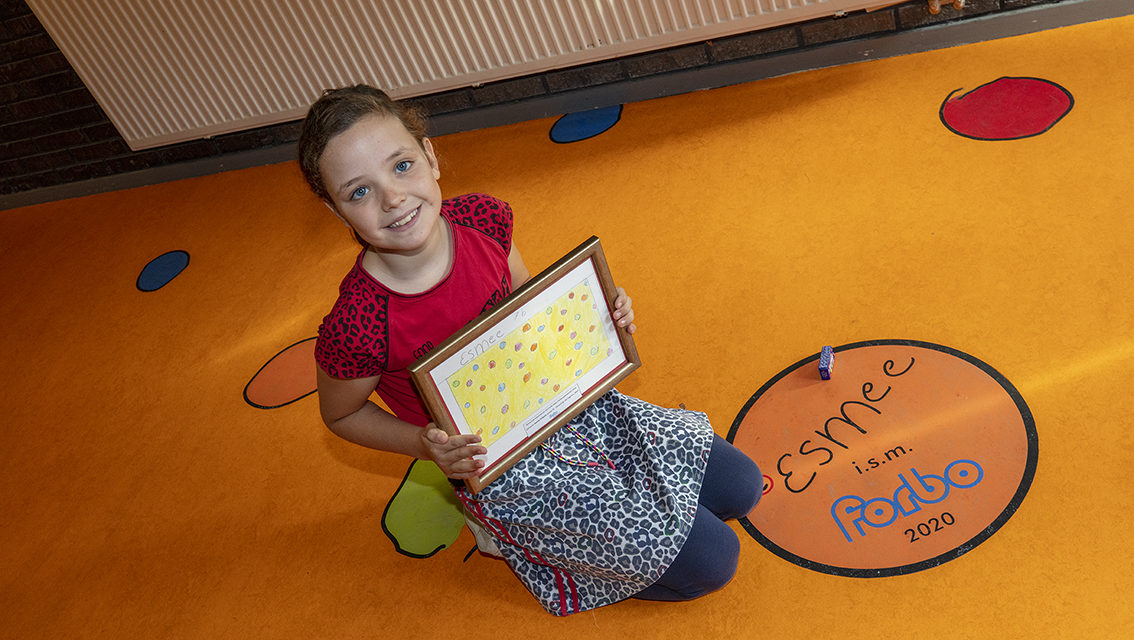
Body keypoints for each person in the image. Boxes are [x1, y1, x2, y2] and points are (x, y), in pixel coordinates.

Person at [298, 85, 763, 616]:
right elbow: (340, 413)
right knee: (715, 562)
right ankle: (520, 542)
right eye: (359, 192)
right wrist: (426, 446)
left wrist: (600, 317)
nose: (393, 198)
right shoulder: (357, 324)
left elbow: (529, 309)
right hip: (499, 466)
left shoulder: (483, 220)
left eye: (401, 165)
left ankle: (615, 520)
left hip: (562, 404)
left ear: (430, 157)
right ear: (336, 211)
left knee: (743, 487)